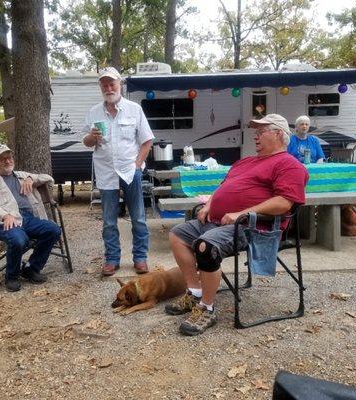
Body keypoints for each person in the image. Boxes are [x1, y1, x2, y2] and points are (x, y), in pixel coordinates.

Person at [165, 114, 309, 336]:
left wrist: (241, 213)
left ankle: (207, 307)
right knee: (178, 235)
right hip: (218, 221)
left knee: (206, 245)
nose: (256, 136)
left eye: (262, 132)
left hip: (252, 228)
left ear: (279, 134)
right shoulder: (245, 162)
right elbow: (223, 187)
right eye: (256, 132)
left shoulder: (289, 165)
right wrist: (209, 205)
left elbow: (284, 202)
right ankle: (194, 291)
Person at [83, 67, 154, 277]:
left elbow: (147, 140)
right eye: (104, 85)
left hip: (131, 172)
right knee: (108, 220)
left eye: (111, 83)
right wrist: (92, 137)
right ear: (100, 88)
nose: (108, 88)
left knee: (138, 217)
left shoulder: (134, 109)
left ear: (119, 84)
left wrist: (137, 164)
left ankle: (140, 258)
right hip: (106, 173)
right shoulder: (94, 112)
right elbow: (86, 142)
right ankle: (112, 259)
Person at [0, 144, 62, 292]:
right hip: (5, 221)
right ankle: (12, 276)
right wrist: (4, 215)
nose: (7, 161)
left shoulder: (20, 175)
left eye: (9, 157)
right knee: (18, 240)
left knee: (53, 229)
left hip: (28, 218)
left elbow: (48, 178)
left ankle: (31, 268)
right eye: (2, 159)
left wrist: (30, 178)